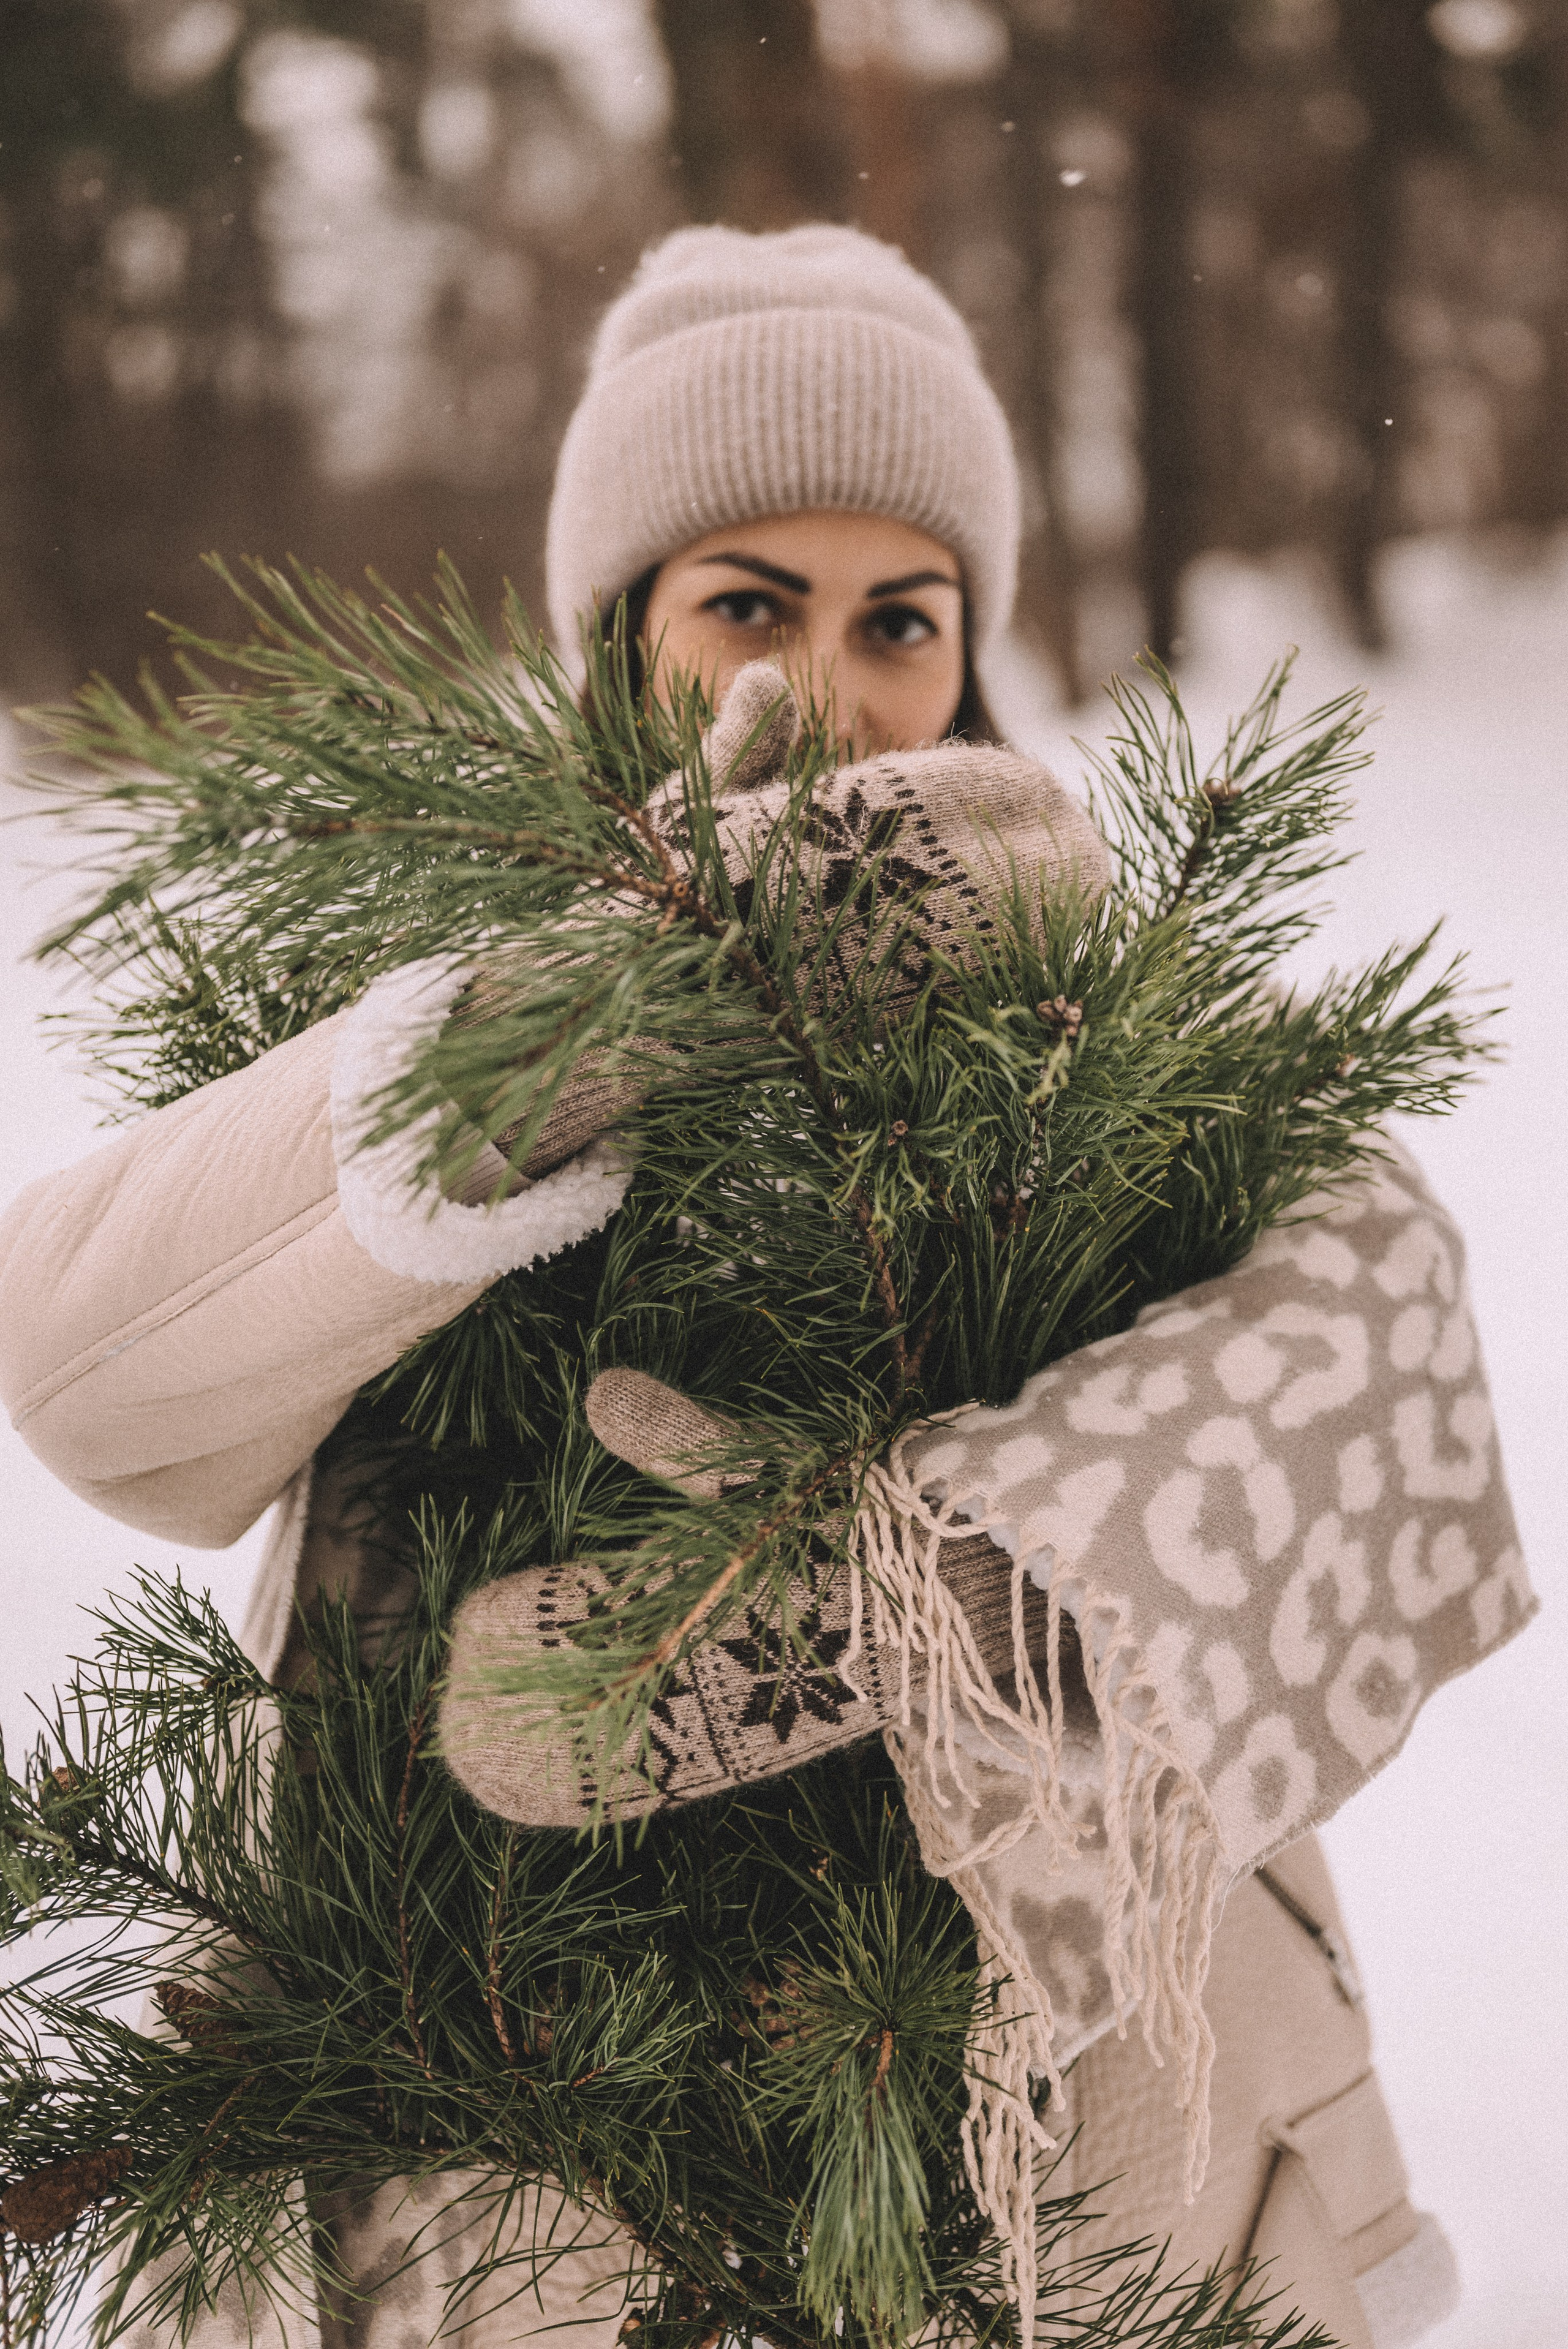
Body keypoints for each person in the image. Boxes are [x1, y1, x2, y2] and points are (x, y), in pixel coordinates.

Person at [0, 225, 1528, 2349]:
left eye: (899, 616)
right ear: (617, 628)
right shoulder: (449, 981)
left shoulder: (1099, 1001)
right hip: (520, 2120)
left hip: (1053, 2137)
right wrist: (583, 1013)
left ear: (972, 644)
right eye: (744, 603)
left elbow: (1385, 1342)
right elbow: (88, 1368)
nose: (823, 685)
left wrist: (897, 1601)